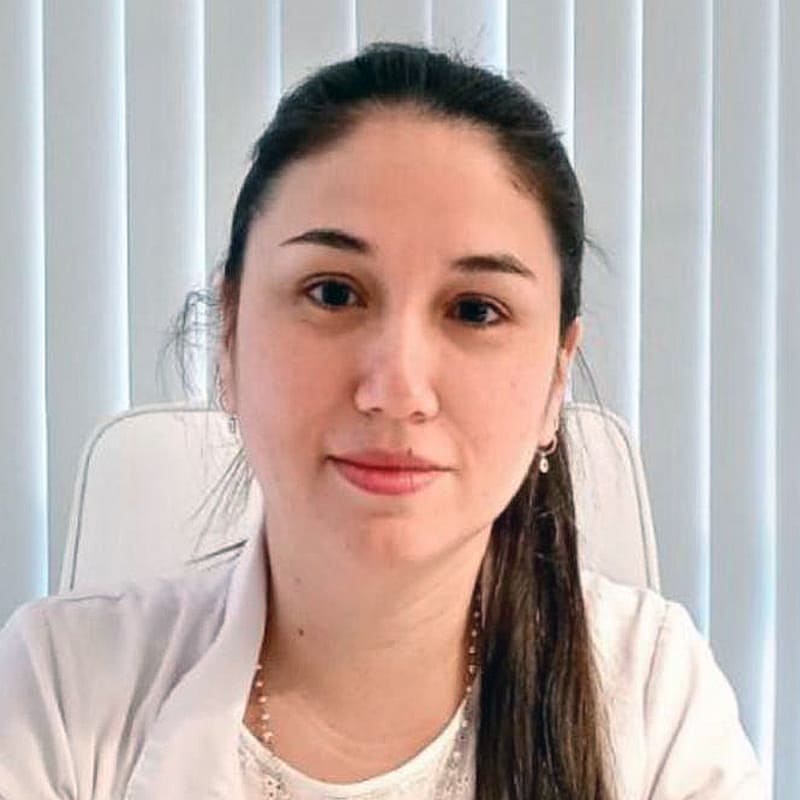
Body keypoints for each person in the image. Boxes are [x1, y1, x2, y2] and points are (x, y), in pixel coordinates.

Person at [0, 42, 765, 799]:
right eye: (333, 293)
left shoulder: (656, 702)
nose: (397, 388)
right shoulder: (59, 690)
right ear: (228, 335)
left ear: (557, 375)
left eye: (476, 310)